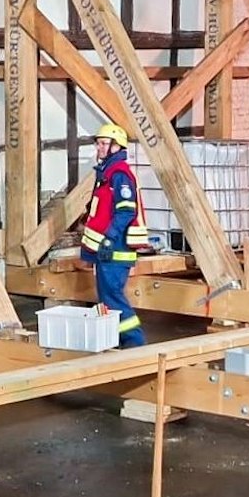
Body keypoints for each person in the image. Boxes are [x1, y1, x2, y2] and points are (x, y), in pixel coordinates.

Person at [81, 123, 149, 349]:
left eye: (103, 144)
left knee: (113, 298)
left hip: (115, 250)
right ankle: (119, 340)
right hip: (106, 251)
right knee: (108, 299)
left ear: (115, 147)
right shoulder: (107, 174)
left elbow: (126, 211)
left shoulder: (119, 174)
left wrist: (109, 238)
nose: (98, 148)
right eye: (98, 143)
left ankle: (134, 342)